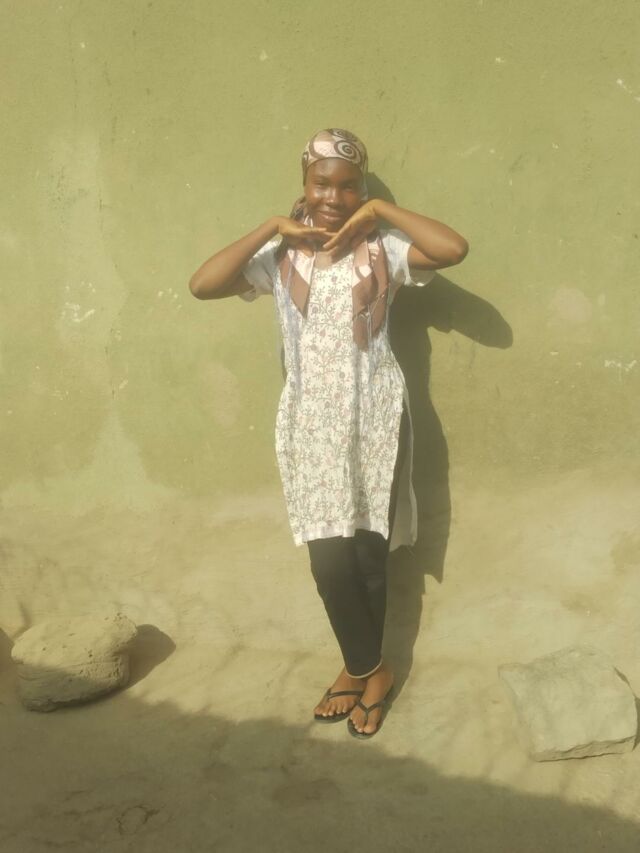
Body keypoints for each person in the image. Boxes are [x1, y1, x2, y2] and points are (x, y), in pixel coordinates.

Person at [189, 128, 468, 738]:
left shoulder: (385, 249)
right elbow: (203, 284)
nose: (333, 198)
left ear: (360, 190)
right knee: (329, 560)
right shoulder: (280, 258)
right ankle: (371, 667)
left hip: (375, 420)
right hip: (311, 425)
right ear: (304, 184)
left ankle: (359, 670)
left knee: (368, 555)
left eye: (349, 187)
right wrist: (271, 226)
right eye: (322, 184)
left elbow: (452, 248)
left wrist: (380, 210)